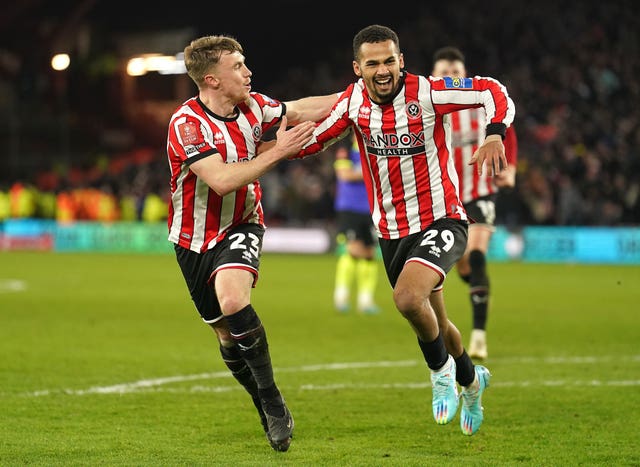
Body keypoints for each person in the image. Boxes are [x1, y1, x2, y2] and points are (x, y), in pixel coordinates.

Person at [294, 25, 515, 435]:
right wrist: (271, 148)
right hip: (392, 232)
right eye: (373, 63)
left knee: (407, 297)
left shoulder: (429, 92)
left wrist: (495, 133)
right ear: (358, 68)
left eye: (389, 60)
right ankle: (470, 380)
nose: (382, 70)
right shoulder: (353, 102)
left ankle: (440, 373)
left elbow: (491, 89)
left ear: (402, 60)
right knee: (437, 322)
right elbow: (315, 140)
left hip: (442, 218)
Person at [166, 34, 338, 452]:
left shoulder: (253, 106)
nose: (248, 71)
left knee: (231, 298)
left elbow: (301, 108)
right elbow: (221, 180)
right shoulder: (186, 124)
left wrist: (357, 97)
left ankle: (273, 400)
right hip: (191, 239)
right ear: (212, 80)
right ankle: (262, 400)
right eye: (238, 66)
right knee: (226, 336)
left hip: (242, 223)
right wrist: (279, 152)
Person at [431, 46, 519, 360]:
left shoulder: (479, 104)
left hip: (480, 192)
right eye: (443, 73)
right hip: (445, 197)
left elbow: (505, 128)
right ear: (433, 76)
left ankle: (479, 336)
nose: (450, 78)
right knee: (465, 265)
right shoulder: (429, 108)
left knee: (477, 254)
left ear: (464, 76)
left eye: (455, 73)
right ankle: (477, 288)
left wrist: (510, 168)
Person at [333, 130, 381, 314]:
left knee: (369, 254)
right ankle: (341, 296)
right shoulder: (345, 148)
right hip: (350, 207)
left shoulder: (375, 147)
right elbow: (344, 175)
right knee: (352, 250)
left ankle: (365, 300)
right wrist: (371, 171)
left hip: (371, 207)